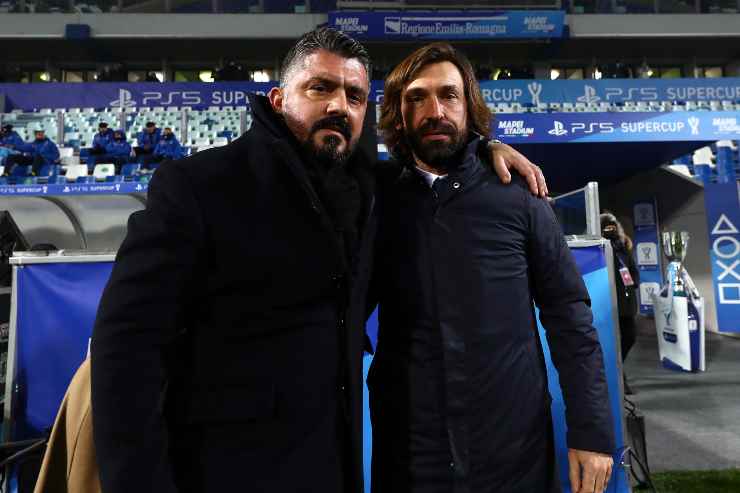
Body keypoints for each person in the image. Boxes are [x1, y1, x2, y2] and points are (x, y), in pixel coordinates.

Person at [91, 28, 544, 493]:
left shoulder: (367, 188)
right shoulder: (198, 185)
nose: (338, 106)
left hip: (331, 471)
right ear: (278, 97)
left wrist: (484, 149)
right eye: (319, 88)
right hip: (221, 473)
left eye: (354, 95)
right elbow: (126, 347)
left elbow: (437, 165)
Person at [369, 43, 614, 493]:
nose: (435, 110)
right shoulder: (377, 200)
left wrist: (593, 434)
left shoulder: (519, 195)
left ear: (470, 105)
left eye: (449, 95)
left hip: (512, 452)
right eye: (416, 98)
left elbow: (570, 320)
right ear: (398, 115)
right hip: (409, 455)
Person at [600, 212, 639, 393]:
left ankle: (617, 369)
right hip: (608, 303)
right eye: (606, 227)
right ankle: (617, 376)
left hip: (627, 304)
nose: (610, 229)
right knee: (610, 341)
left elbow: (632, 270)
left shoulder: (624, 247)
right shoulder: (598, 249)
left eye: (612, 226)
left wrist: (634, 284)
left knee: (630, 337)